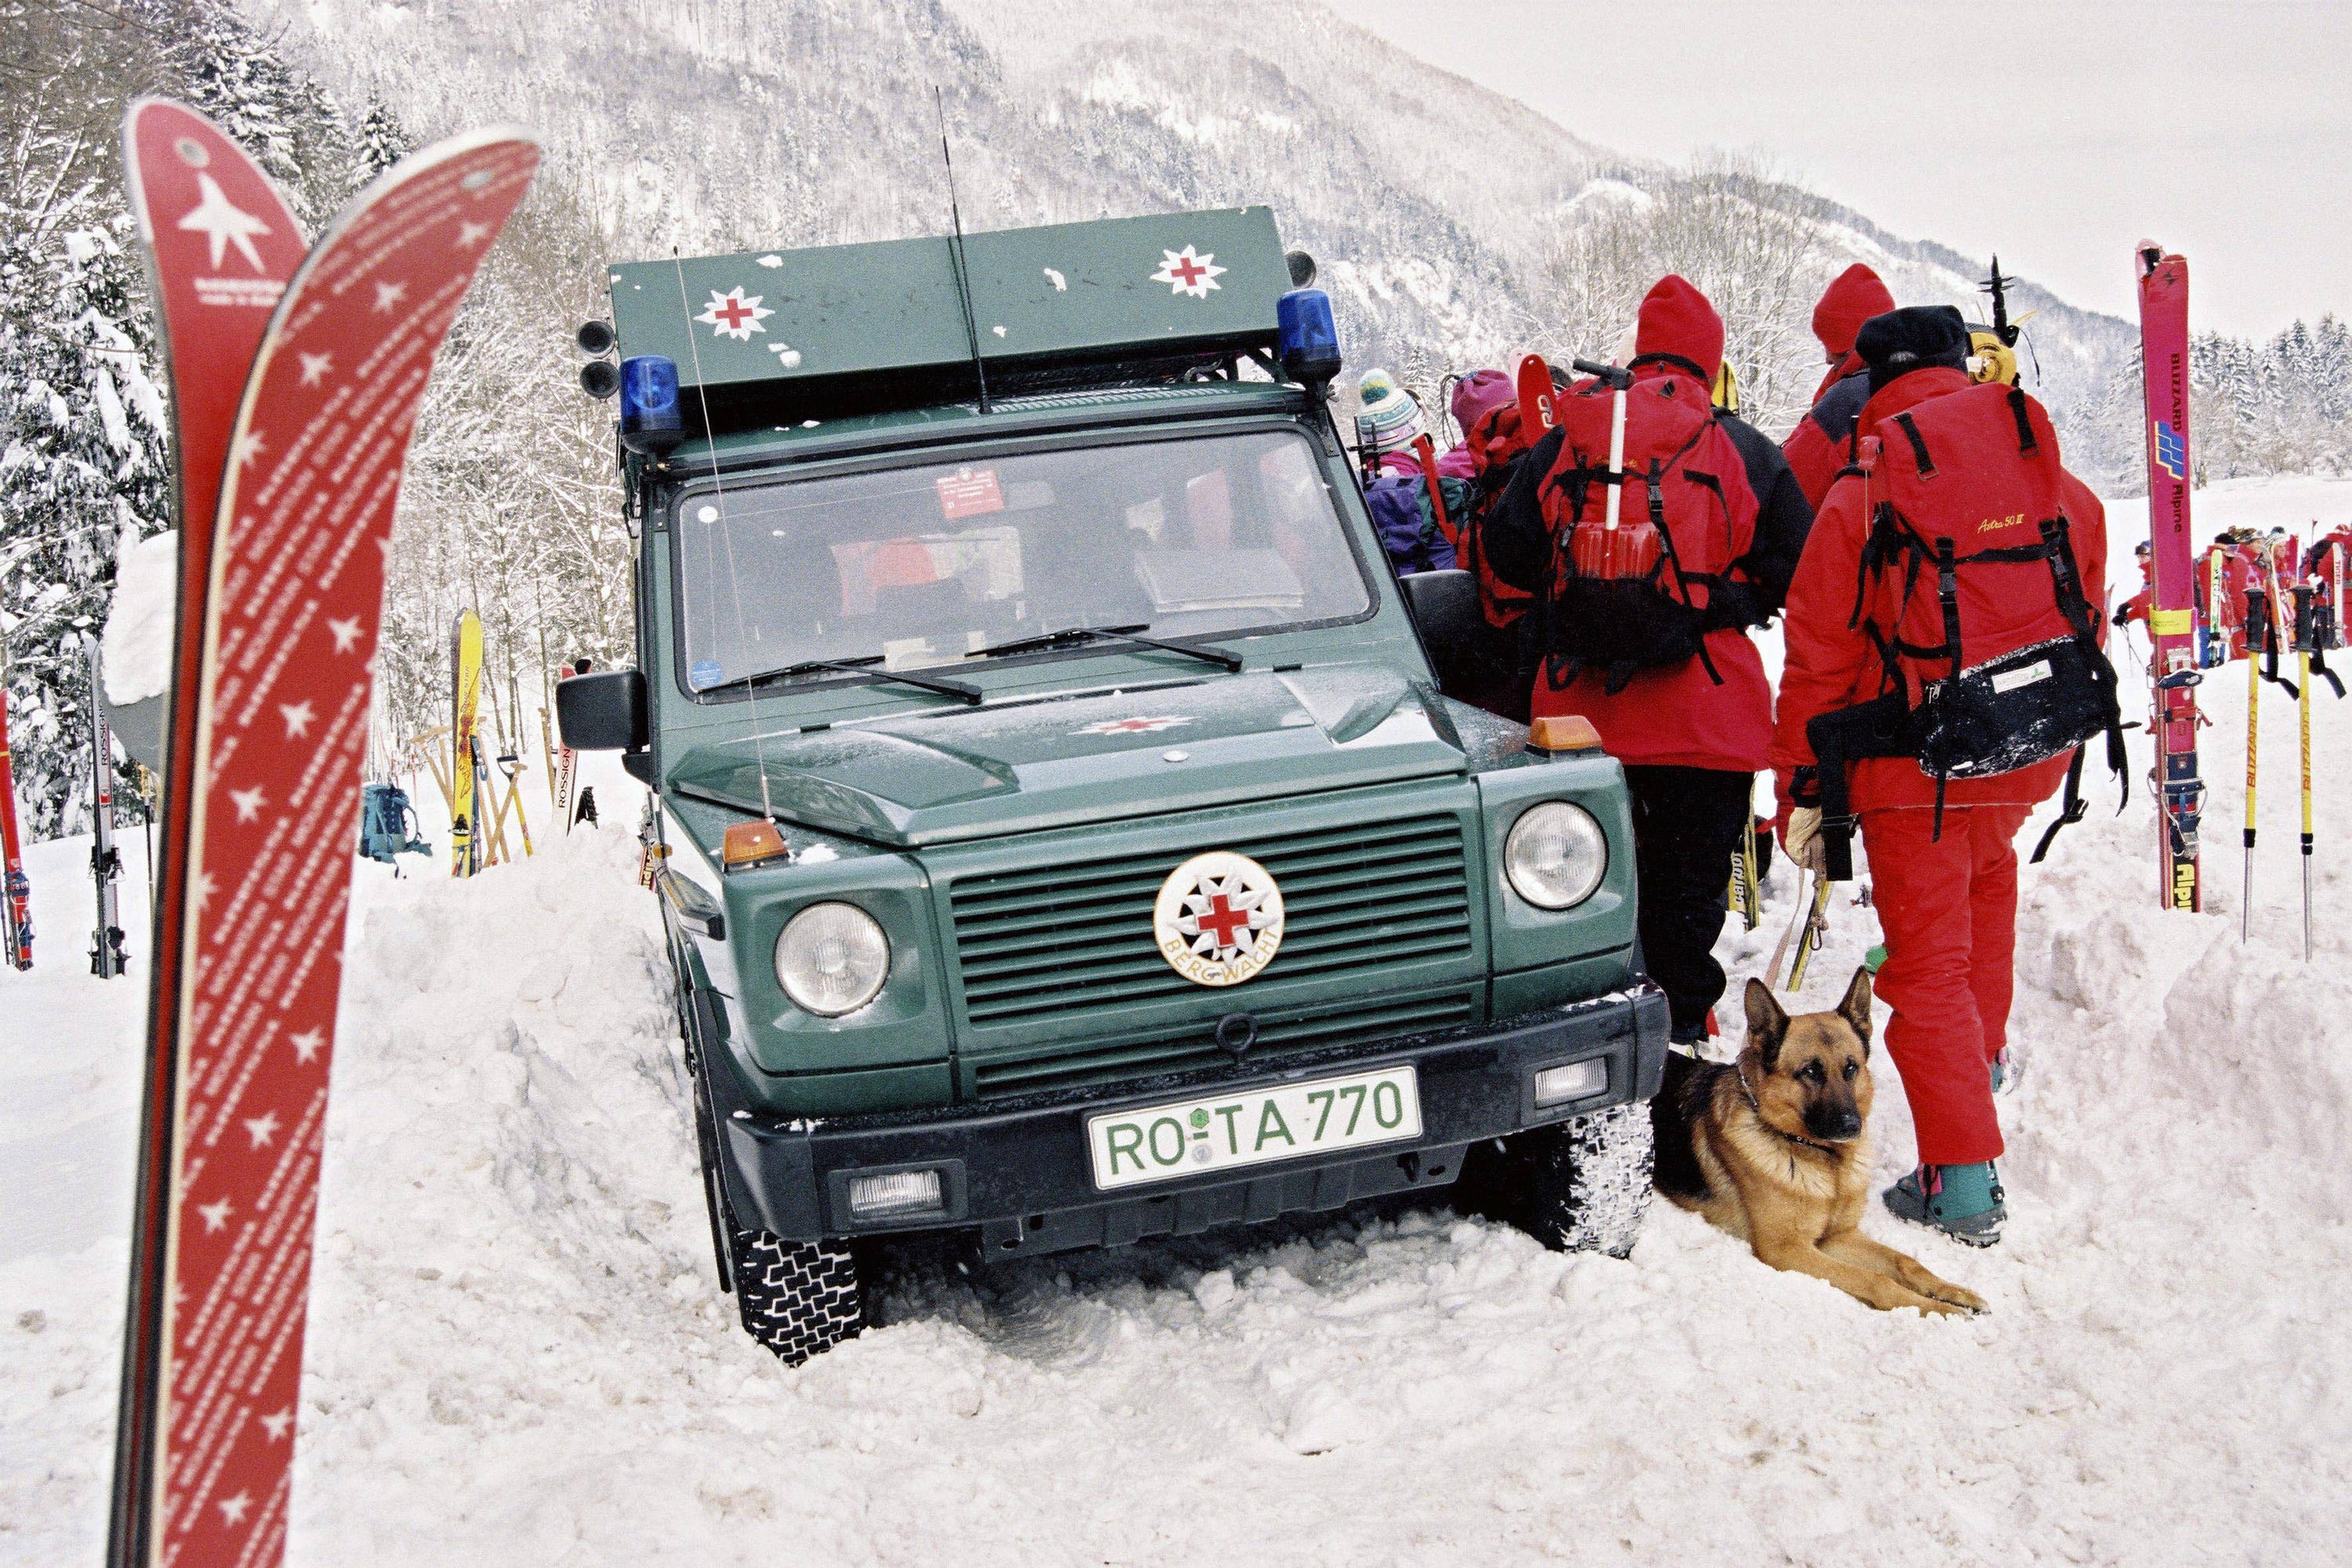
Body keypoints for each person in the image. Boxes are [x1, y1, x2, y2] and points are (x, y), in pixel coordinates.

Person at [1770, 305, 2112, 1247]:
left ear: (1870, 386)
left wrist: (1799, 785)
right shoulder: (2046, 473)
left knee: (1921, 968)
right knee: (1986, 882)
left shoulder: (1864, 490)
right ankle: (1984, 1056)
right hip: (2025, 749)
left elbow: (1817, 653)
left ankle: (1960, 1182)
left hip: (1909, 766)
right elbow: (2088, 593)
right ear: (1964, 369)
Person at [1486, 275, 1814, 1046]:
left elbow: (1503, 551)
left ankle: (1589, 1067)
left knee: (1583, 904)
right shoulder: (1741, 448)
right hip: (1707, 725)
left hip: (1576, 727)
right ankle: (1681, 1048)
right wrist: (1724, 602)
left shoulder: (1571, 441)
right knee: (1686, 906)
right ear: (1711, 358)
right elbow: (1802, 564)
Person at [1781, 264, 1899, 510]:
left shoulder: (1845, 401)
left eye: (1829, 344)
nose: (1826, 359)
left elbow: (1788, 490)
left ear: (1850, 342)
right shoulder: (1910, 381)